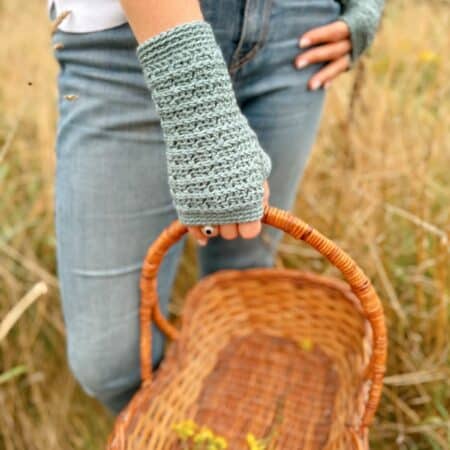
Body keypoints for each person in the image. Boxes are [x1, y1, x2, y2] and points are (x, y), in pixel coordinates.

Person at [48, 0, 384, 415]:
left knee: (243, 284)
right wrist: (199, 109)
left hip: (299, 34)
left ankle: (223, 421)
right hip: (133, 38)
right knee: (110, 362)